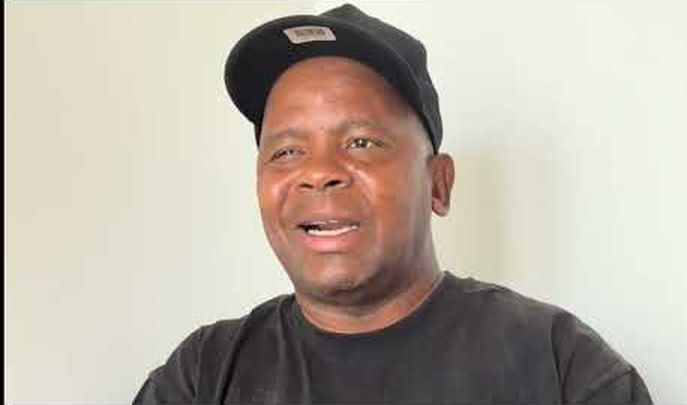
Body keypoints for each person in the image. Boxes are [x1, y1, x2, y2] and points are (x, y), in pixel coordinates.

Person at [134, 3, 652, 403]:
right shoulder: (202, 377)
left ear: (439, 184)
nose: (318, 172)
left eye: (360, 142)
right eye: (287, 151)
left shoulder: (562, 367)